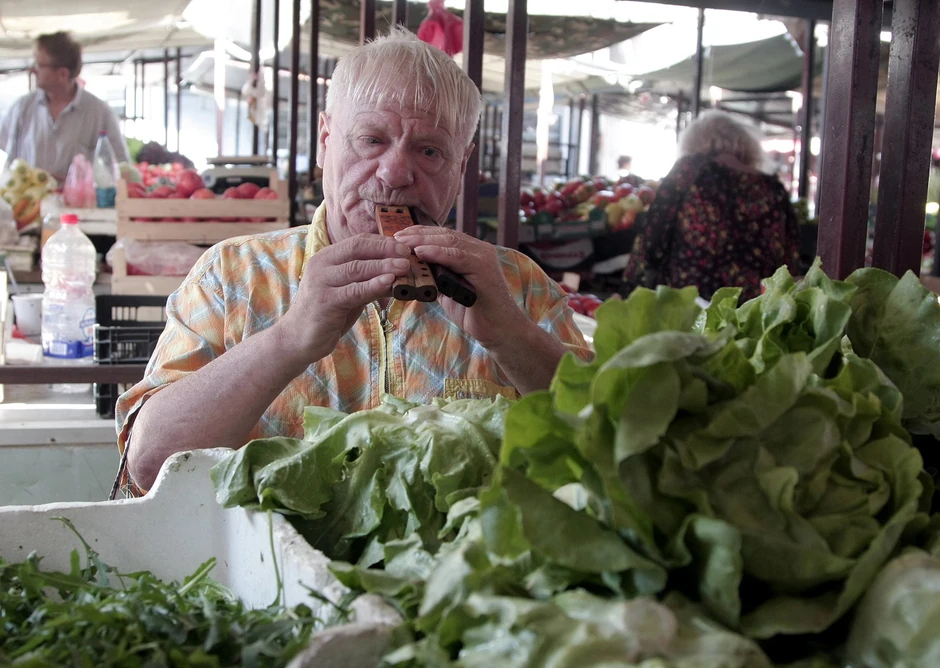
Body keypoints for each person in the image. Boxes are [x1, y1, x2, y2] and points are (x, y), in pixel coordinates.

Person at [116, 27, 592, 493]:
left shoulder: (516, 283)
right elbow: (149, 464)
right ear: (326, 140)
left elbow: (605, 446)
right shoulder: (233, 274)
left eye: (430, 151)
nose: (396, 172)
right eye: (371, 140)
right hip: (266, 566)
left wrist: (511, 336)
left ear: (461, 167)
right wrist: (289, 339)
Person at [622, 111, 800, 301]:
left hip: (691, 306)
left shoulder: (690, 170)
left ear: (692, 143)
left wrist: (628, 293)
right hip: (750, 312)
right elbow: (789, 261)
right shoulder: (774, 188)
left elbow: (651, 239)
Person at [0, 32, 130, 182]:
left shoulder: (100, 113)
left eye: (39, 65)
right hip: (26, 203)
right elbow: (4, 153)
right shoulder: (21, 108)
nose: (32, 70)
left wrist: (75, 182)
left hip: (80, 204)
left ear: (62, 74)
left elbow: (122, 169)